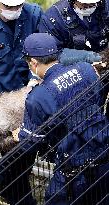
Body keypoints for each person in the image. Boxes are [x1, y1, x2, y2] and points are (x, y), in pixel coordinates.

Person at [18, 33, 109, 204]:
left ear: (33, 63)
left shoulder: (37, 97)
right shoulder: (86, 69)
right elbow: (97, 99)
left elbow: (30, 141)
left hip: (73, 169)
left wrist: (18, 134)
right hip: (103, 151)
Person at [39, 0, 109, 52]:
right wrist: (87, 57)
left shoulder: (105, 6)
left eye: (93, 4)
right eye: (84, 5)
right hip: (72, 65)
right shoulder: (53, 18)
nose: (89, 7)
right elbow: (50, 54)